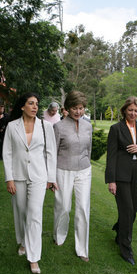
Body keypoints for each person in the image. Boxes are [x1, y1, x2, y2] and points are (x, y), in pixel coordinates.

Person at [3, 92, 57, 274]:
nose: (35, 107)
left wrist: (51, 178)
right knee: (21, 211)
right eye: (31, 103)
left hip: (39, 176)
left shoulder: (45, 127)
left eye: (36, 103)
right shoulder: (11, 127)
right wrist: (9, 178)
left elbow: (51, 153)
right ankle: (23, 242)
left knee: (34, 213)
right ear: (22, 106)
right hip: (17, 176)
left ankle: (34, 258)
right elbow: (8, 153)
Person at [105, 96, 137, 265]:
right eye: (130, 110)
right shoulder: (116, 129)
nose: (133, 113)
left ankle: (120, 230)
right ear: (124, 110)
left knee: (133, 211)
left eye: (136, 110)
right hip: (121, 175)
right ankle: (126, 249)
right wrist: (111, 180)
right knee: (127, 210)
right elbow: (111, 157)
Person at [53, 91, 93, 262]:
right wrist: (51, 177)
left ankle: (82, 249)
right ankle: (59, 236)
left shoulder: (88, 126)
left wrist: (86, 164)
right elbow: (52, 153)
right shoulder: (59, 127)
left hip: (84, 170)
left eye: (81, 108)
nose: (78, 111)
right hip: (63, 169)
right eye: (75, 108)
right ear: (68, 108)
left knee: (83, 208)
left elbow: (88, 149)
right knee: (64, 206)